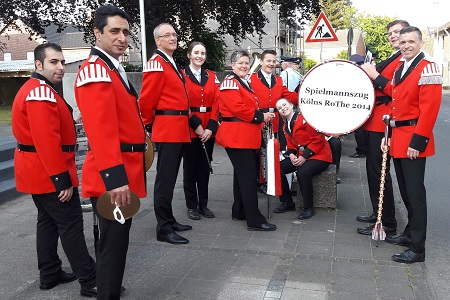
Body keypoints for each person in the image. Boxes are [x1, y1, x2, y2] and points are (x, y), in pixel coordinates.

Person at [12, 43, 96, 297]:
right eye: (53, 62)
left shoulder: (40, 89)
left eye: (61, 62)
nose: (60, 67)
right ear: (39, 65)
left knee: (47, 222)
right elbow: (46, 141)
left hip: (38, 169)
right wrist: (62, 181)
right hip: (48, 171)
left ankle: (49, 273)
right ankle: (90, 280)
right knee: (70, 224)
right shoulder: (40, 93)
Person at [74, 5, 147, 298]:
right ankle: (107, 291)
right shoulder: (95, 69)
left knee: (116, 246)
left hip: (122, 169)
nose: (122, 38)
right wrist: (115, 178)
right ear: (97, 33)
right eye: (114, 31)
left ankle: (109, 288)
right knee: (112, 249)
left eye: (126, 32)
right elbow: (102, 130)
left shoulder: (110, 68)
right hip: (112, 176)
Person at [363, 26, 442, 263]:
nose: (406, 45)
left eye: (411, 41)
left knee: (415, 194)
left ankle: (418, 249)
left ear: (420, 42)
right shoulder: (401, 66)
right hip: (398, 137)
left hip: (413, 140)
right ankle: (409, 234)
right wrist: (389, 132)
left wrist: (417, 142)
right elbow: (396, 100)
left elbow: (429, 110)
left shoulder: (428, 67)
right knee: (406, 191)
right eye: (403, 41)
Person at [139, 23, 197, 244]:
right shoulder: (156, 64)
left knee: (171, 178)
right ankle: (163, 227)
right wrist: (148, 125)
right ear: (158, 41)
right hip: (167, 128)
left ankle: (169, 219)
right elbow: (146, 100)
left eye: (174, 33)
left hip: (177, 127)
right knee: (165, 180)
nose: (173, 37)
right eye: (167, 35)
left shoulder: (168, 61)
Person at [357, 20, 410, 236]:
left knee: (379, 172)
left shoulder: (403, 60)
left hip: (385, 121)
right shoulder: (394, 58)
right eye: (390, 33)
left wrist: (375, 75)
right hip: (375, 119)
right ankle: (378, 212)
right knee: (373, 171)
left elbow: (396, 90)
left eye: (397, 32)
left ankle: (387, 220)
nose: (392, 36)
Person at [216, 50, 277, 231]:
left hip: (245, 136)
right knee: (249, 177)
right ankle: (254, 220)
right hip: (237, 137)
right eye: (240, 63)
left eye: (246, 63)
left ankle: (240, 210)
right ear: (232, 65)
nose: (244, 66)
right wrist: (261, 116)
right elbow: (239, 109)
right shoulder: (230, 83)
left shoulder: (242, 81)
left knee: (241, 176)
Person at [274, 99, 332, 219]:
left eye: (284, 105)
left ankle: (308, 208)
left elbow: (319, 140)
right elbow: (291, 146)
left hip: (321, 155)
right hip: (302, 155)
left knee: (302, 172)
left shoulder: (305, 118)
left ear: (291, 105)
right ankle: (287, 202)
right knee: (278, 168)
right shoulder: (285, 126)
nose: (283, 108)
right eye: (280, 108)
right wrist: (291, 155)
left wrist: (303, 157)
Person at [182, 41, 220, 220]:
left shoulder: (212, 76)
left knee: (205, 167)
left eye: (203, 53)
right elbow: (182, 102)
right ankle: (191, 205)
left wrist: (210, 128)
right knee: (190, 168)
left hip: (208, 131)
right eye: (196, 52)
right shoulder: (182, 75)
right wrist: (196, 125)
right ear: (189, 54)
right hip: (190, 128)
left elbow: (217, 103)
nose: (200, 56)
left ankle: (203, 204)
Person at [250, 49, 298, 185]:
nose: (271, 64)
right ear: (261, 62)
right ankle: (258, 180)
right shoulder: (252, 78)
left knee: (271, 151)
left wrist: (304, 92)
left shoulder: (278, 80)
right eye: (268, 61)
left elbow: (290, 96)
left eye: (273, 61)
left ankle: (268, 179)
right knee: (257, 153)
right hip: (257, 120)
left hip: (275, 120)